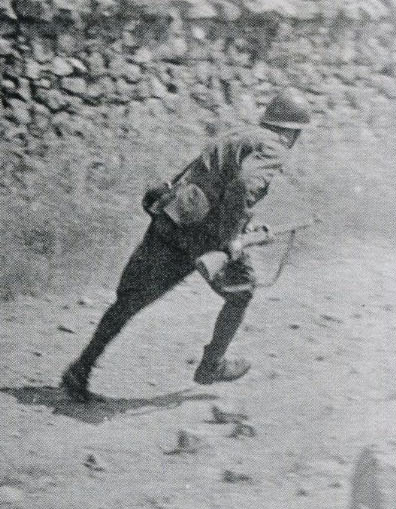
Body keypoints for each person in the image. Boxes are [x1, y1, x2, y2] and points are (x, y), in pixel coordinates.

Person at [60, 91, 311, 403]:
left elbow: (209, 181)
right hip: (206, 236)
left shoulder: (240, 135)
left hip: (174, 218)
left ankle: (80, 369)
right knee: (241, 293)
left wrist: (244, 227)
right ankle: (212, 365)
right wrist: (233, 236)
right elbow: (245, 185)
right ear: (293, 132)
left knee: (131, 298)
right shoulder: (274, 146)